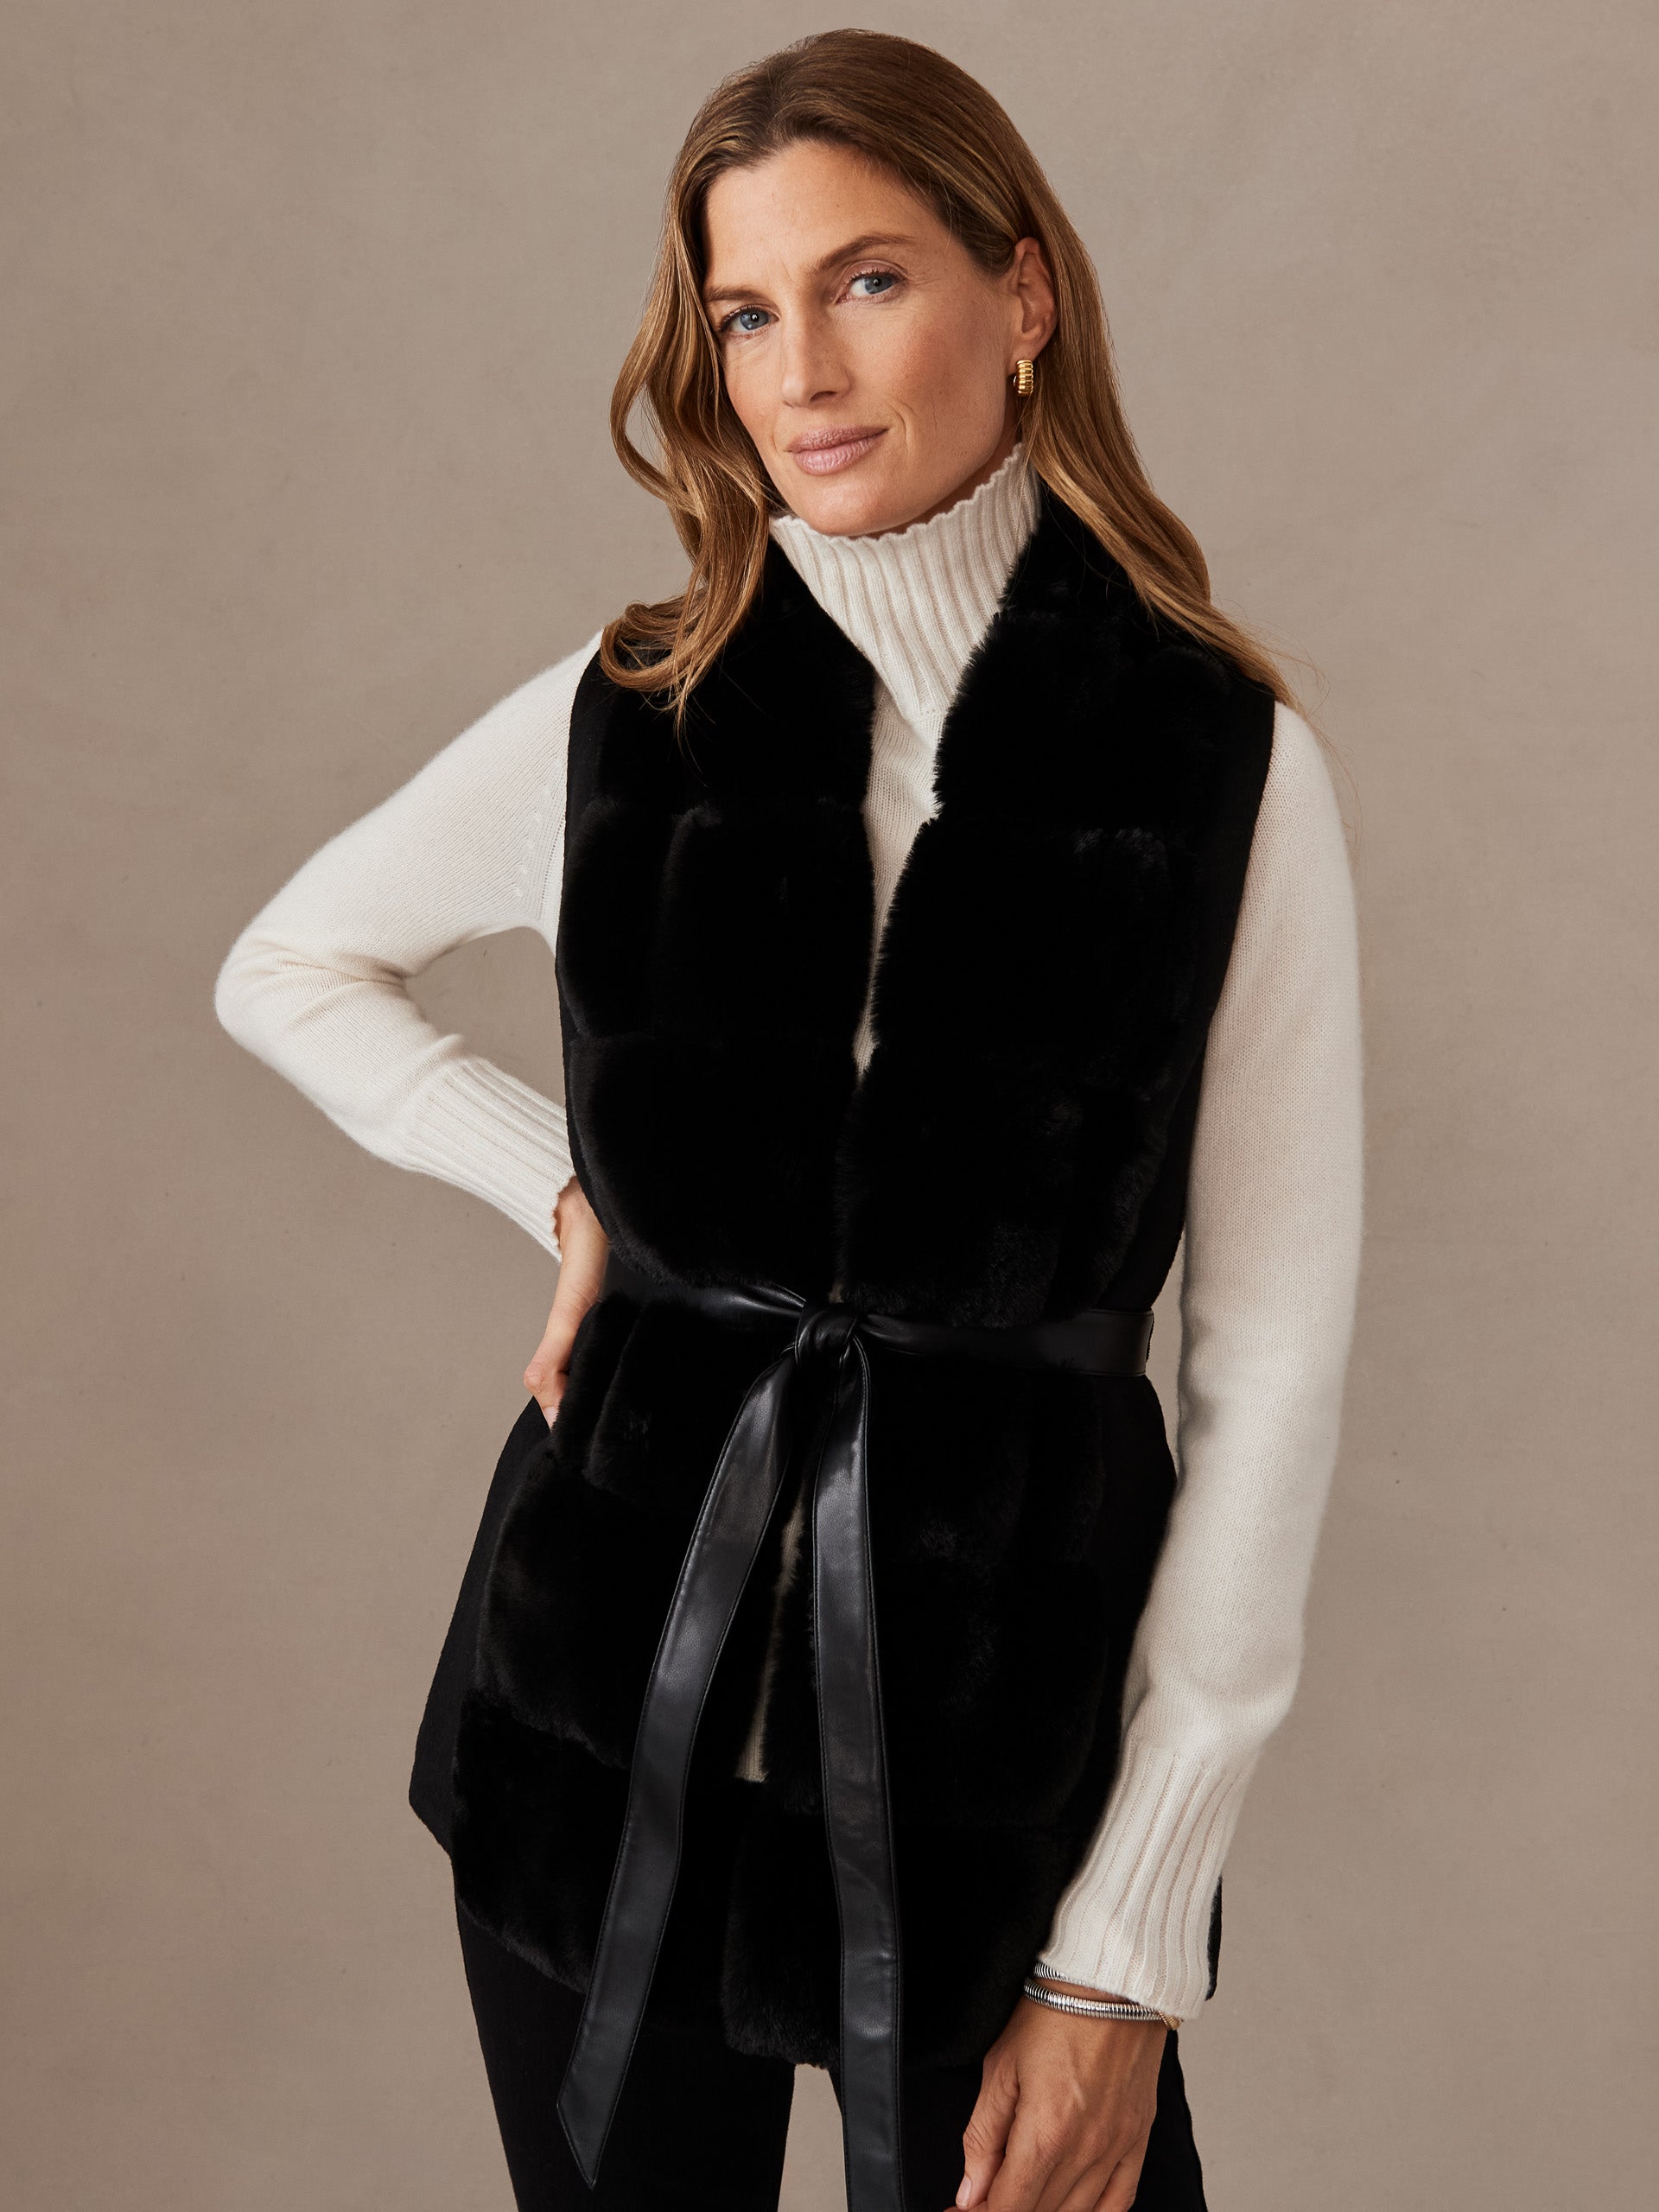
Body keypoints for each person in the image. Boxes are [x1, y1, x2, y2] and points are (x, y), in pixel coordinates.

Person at [215, 29, 1362, 2212]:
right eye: (745, 312)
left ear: (1023, 294)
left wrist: (1124, 1949)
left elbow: (1273, 1364)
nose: (800, 372)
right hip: (591, 1741)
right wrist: (559, 1188)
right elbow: (289, 963)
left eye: (867, 281)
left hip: (997, 1779)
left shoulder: (1220, 761)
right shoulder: (631, 706)